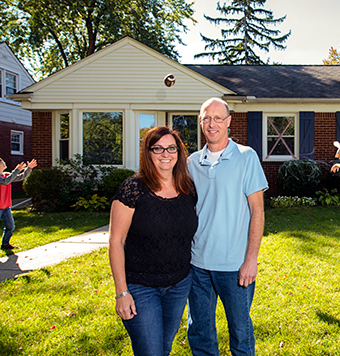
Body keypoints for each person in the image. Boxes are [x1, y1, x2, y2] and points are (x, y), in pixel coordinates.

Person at [187, 97, 268, 356]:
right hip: (197, 266)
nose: (212, 124)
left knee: (241, 336)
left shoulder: (246, 157)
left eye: (218, 118)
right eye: (207, 118)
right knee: (200, 334)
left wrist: (251, 259)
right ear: (200, 122)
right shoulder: (190, 164)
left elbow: (257, 210)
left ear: (229, 121)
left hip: (235, 267)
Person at [108, 126, 198, 356]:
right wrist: (121, 292)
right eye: (157, 148)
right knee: (151, 352)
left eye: (171, 148)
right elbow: (116, 242)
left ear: (179, 152)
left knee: (164, 348)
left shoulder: (188, 189)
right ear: (147, 153)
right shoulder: (133, 188)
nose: (165, 154)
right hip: (140, 287)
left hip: (179, 285)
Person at [0, 157, 37, 256]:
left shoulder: (7, 175)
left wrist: (28, 168)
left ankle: (5, 244)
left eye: (2, 161)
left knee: (10, 226)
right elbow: (6, 181)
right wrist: (16, 170)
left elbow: (21, 177)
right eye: (0, 162)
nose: (3, 162)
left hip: (6, 205)